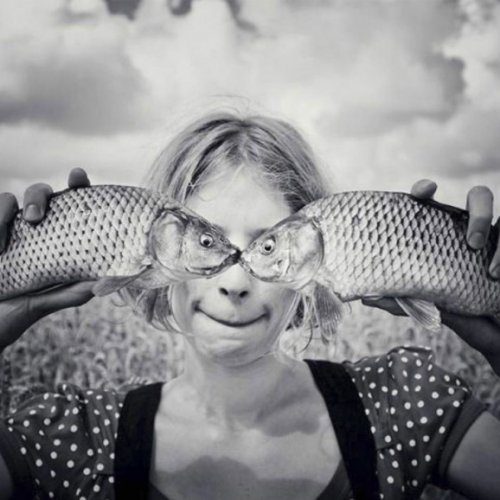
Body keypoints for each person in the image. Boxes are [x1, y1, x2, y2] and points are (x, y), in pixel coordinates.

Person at [0, 112, 499, 500]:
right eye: (208, 242)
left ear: (319, 262)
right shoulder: (72, 436)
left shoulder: (403, 403)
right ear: (148, 252)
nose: (236, 281)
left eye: (265, 245)